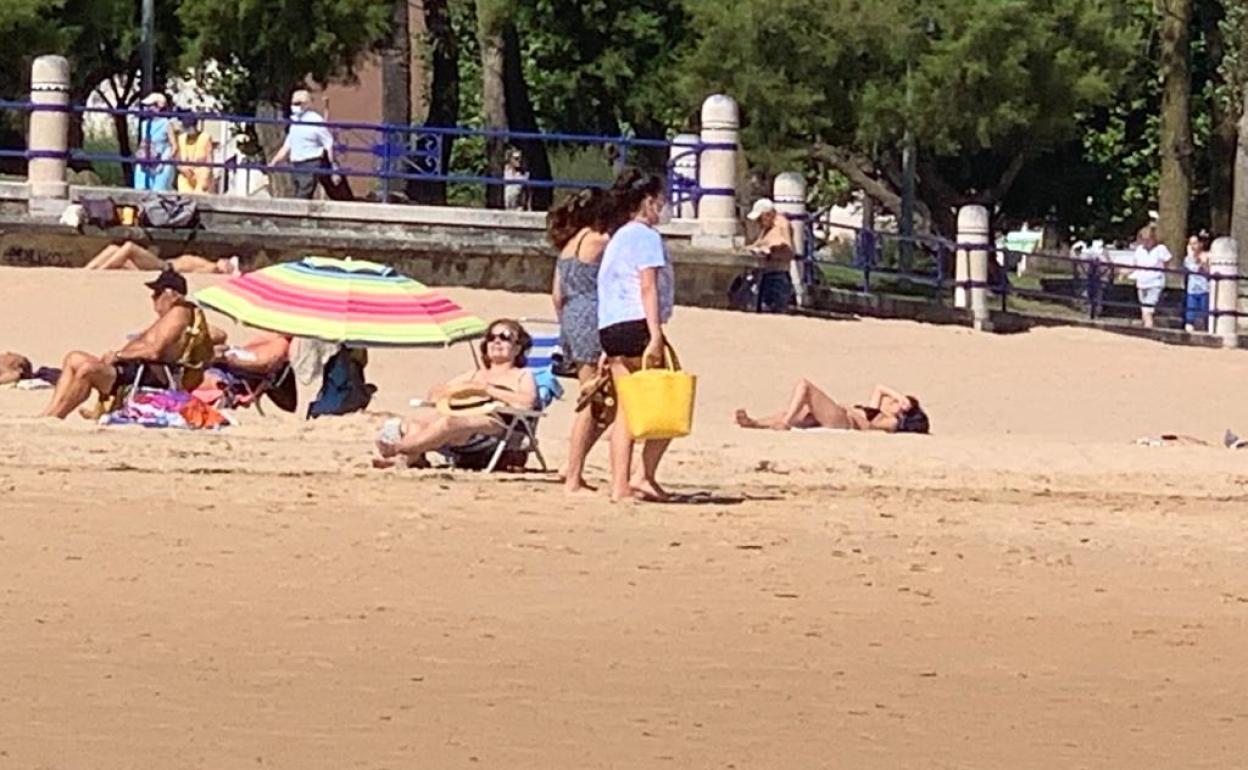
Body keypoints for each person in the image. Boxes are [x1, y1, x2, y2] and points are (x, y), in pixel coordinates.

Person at [597, 169, 675, 502]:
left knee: (628, 406)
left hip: (611, 325)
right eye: (660, 200)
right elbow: (647, 287)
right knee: (667, 397)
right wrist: (655, 334)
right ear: (648, 201)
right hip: (636, 323)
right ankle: (641, 475)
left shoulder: (618, 237)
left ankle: (620, 484)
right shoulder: (646, 237)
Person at [40, 270, 214, 419]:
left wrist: (118, 356)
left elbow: (154, 352)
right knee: (74, 358)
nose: (153, 298)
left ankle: (58, 416)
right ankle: (49, 413)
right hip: (134, 369)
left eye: (157, 293)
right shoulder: (170, 317)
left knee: (88, 370)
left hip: (147, 375)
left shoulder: (179, 314)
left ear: (173, 295)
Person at [374, 319, 538, 468]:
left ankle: (398, 449)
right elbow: (435, 394)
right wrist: (462, 389)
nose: (496, 341)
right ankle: (410, 460)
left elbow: (527, 402)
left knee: (450, 422)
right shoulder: (473, 374)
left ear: (518, 348)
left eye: (505, 336)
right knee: (417, 423)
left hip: (495, 428)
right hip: (461, 428)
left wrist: (488, 390)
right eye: (491, 337)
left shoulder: (522, 374)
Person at [549, 188, 612, 493]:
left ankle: (573, 465)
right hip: (593, 316)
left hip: (572, 317)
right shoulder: (600, 241)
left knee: (596, 398)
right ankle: (572, 470)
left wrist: (566, 328)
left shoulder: (566, 247)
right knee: (595, 401)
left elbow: (557, 296)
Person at [736, 382, 930, 434]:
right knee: (801, 413)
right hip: (841, 416)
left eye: (897, 404)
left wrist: (904, 404)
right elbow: (879, 388)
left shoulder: (892, 422)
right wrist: (899, 397)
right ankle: (755, 423)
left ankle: (785, 424)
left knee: (805, 387)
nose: (892, 402)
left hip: (845, 421)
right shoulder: (878, 412)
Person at [267, 89, 337, 200]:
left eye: (298, 103)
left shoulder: (315, 121)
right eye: (293, 103)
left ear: (307, 104)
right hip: (297, 164)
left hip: (312, 162)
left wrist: (334, 166)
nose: (294, 106)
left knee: (303, 194)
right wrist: (274, 162)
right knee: (299, 193)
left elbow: (329, 143)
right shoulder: (295, 123)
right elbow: (287, 146)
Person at [745, 198, 795, 313]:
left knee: (772, 311)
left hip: (777, 276)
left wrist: (770, 253)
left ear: (767, 215)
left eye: (760, 218)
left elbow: (788, 251)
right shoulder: (767, 228)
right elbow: (758, 243)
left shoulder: (782, 225)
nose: (758, 222)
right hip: (766, 274)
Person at [84, 241, 240, 274]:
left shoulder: (211, 268)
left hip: (164, 268)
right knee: (114, 249)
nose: (225, 260)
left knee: (129, 248)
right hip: (163, 264)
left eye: (229, 263)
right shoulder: (209, 262)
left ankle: (100, 272)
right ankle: (85, 270)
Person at [1130, 223, 1172, 329]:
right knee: (1144, 306)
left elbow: (1167, 262)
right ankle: (1147, 325)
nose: (1145, 242)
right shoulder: (1139, 250)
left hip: (1155, 282)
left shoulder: (1160, 249)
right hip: (1141, 282)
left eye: (1147, 239)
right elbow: (1135, 264)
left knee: (1148, 307)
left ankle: (1148, 327)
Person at [133, 93, 178, 191]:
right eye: (146, 106)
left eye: (151, 105)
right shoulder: (144, 124)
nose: (147, 108)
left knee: (159, 189)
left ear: (159, 107)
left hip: (161, 162)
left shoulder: (166, 123)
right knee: (141, 188)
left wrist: (165, 160)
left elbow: (174, 146)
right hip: (146, 161)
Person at [175, 117, 218, 194]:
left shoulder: (205, 137)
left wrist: (207, 177)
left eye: (190, 127)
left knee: (201, 197)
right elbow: (177, 159)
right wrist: (181, 169)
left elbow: (210, 159)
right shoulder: (181, 138)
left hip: (201, 173)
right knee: (185, 197)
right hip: (186, 174)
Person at [1183, 230, 1212, 333]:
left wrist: (1204, 263)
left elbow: (1209, 271)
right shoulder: (1187, 259)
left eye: (1195, 243)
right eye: (1190, 244)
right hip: (1192, 290)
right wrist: (1195, 258)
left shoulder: (1208, 255)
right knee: (1190, 315)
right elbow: (1193, 268)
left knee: (1205, 314)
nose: (1192, 246)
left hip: (1205, 289)